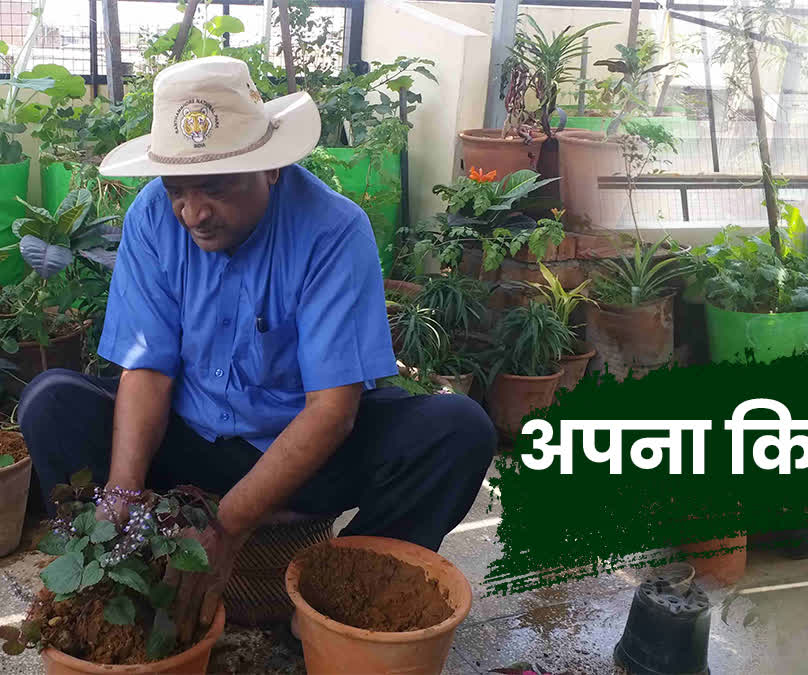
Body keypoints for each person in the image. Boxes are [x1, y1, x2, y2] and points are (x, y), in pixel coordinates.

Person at [17, 56, 496, 642]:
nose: (192, 213)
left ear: (270, 169)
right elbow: (148, 368)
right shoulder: (150, 218)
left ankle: (334, 602)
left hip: (303, 456)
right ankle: (123, 581)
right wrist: (120, 494)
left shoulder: (332, 229)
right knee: (50, 402)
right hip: (188, 440)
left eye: (213, 188)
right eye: (177, 190)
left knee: (457, 429)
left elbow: (331, 412)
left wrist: (227, 525)